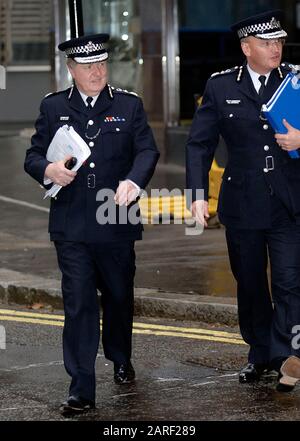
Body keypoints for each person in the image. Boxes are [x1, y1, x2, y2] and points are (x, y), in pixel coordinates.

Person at [24, 33, 159, 415]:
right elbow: (33, 155)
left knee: (118, 296)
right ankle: (81, 387)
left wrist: (134, 181)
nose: (96, 71)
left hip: (116, 219)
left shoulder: (128, 106)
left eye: (101, 64)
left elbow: (147, 149)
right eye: (87, 66)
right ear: (72, 70)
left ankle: (119, 355)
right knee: (79, 303)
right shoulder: (53, 108)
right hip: (71, 225)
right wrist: (47, 169)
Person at [186, 10, 300, 391]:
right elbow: (199, 144)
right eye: (266, 43)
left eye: (279, 42)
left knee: (289, 281)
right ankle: (260, 353)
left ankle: (288, 355)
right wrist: (197, 195)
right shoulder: (221, 87)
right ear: (246, 48)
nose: (276, 49)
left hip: (289, 199)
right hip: (243, 201)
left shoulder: (296, 81)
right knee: (250, 282)